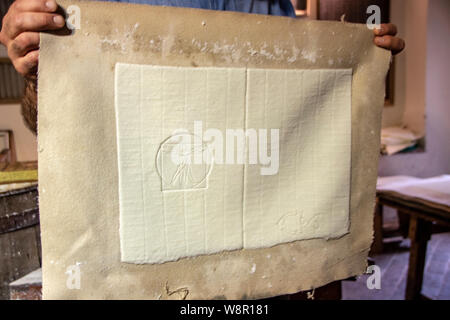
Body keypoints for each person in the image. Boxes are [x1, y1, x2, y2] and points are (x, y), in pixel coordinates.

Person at [0, 0, 405, 134]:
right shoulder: (83, 6)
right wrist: (36, 70)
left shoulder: (265, 4)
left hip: (258, 227)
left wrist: (360, 62)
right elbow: (47, 124)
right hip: (142, 239)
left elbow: (299, 106)